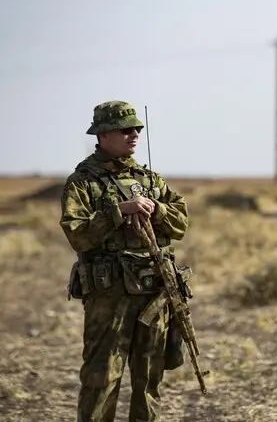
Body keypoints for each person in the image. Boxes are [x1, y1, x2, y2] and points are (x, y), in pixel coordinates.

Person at [60, 101, 189, 422]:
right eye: (125, 130)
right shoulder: (82, 182)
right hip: (109, 296)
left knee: (149, 378)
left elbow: (180, 225)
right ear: (103, 135)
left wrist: (156, 209)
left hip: (153, 293)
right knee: (101, 378)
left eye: (137, 129)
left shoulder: (151, 180)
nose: (134, 135)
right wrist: (119, 211)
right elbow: (77, 234)